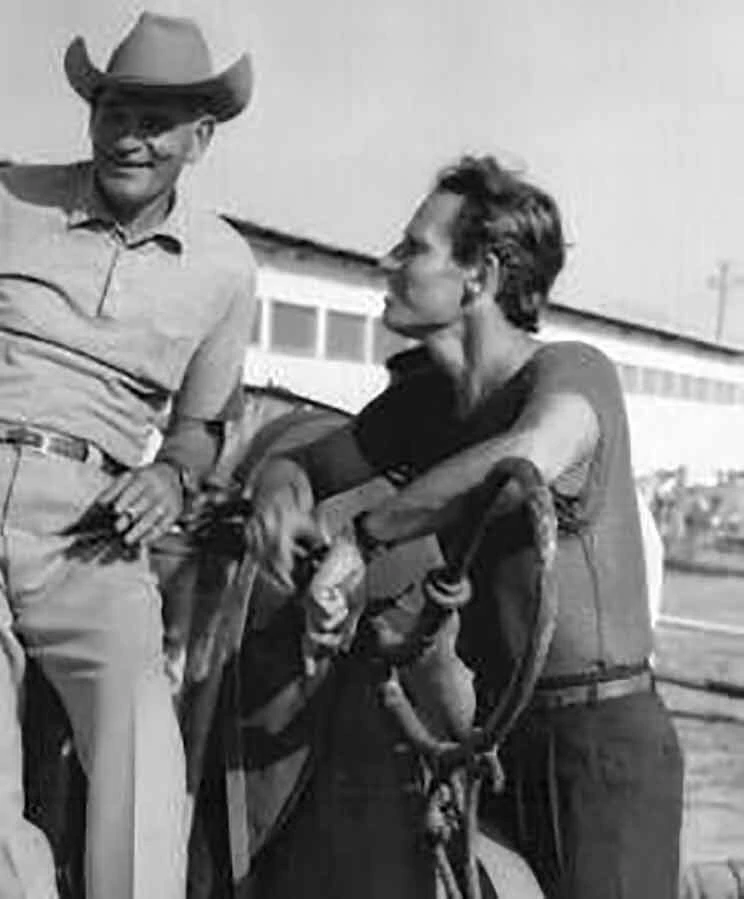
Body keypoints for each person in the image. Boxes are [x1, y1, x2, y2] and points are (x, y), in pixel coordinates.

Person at [0, 13, 257, 898]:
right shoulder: (4, 200)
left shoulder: (226, 268)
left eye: (156, 121)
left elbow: (202, 424)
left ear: (201, 136)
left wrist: (172, 472)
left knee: (146, 757)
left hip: (95, 531)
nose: (129, 136)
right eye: (114, 110)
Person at [248, 156, 683, 899]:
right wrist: (276, 502)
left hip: (603, 750)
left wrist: (362, 540)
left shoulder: (575, 374)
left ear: (479, 275)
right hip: (490, 743)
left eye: (414, 247)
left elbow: (523, 460)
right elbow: (304, 469)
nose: (388, 262)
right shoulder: (422, 411)